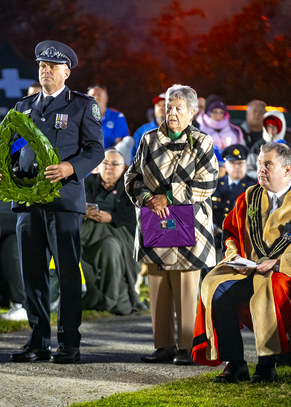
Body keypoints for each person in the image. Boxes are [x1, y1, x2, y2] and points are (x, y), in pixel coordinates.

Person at [0, 40, 104, 364]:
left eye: (52, 66)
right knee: (33, 274)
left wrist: (70, 168)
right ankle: (38, 340)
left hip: (63, 200)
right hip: (27, 202)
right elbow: (12, 147)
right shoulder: (24, 106)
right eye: (42, 66)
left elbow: (95, 150)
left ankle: (69, 342)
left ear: (67, 72)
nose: (46, 71)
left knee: (67, 274)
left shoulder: (82, 105)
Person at [192, 143, 291, 383]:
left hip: (290, 273)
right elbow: (230, 231)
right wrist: (235, 256)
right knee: (213, 284)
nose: (260, 169)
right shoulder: (249, 196)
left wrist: (279, 261)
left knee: (269, 289)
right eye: (260, 163)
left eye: (267, 164)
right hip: (250, 268)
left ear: (287, 169)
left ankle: (266, 365)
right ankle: (235, 363)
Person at [126, 84, 218, 366]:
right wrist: (146, 198)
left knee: (187, 288)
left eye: (179, 108)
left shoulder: (202, 142)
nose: (172, 113)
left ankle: (188, 347)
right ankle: (163, 346)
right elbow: (132, 177)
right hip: (155, 221)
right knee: (158, 286)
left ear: (193, 112)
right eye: (169, 107)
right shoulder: (148, 139)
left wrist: (167, 196)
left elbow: (208, 183)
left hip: (190, 226)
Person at [82, 149, 143, 315]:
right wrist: (84, 211)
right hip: (89, 233)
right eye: (105, 163)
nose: (109, 167)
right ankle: (100, 297)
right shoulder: (86, 183)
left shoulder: (131, 186)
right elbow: (74, 205)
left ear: (122, 168)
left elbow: (136, 215)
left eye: (114, 164)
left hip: (119, 233)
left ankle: (111, 297)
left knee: (111, 246)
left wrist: (111, 217)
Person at [211, 144, 256, 249]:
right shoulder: (215, 185)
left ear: (246, 165)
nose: (237, 167)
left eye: (240, 163)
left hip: (243, 239)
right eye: (232, 163)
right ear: (225, 166)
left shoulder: (254, 187)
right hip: (217, 238)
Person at [246, 110, 290, 179]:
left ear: (280, 128)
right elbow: (249, 170)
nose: (270, 130)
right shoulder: (257, 147)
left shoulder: (288, 147)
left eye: (274, 127)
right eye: (268, 127)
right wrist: (263, 176)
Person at [87, 84, 129, 149]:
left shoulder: (117, 117)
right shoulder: (80, 117)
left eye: (99, 95)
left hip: (110, 154)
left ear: (106, 98)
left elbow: (119, 146)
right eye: (92, 95)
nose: (96, 98)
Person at [132, 94, 165, 158]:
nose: (161, 108)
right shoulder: (142, 131)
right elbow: (133, 155)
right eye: (158, 105)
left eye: (165, 105)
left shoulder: (179, 131)